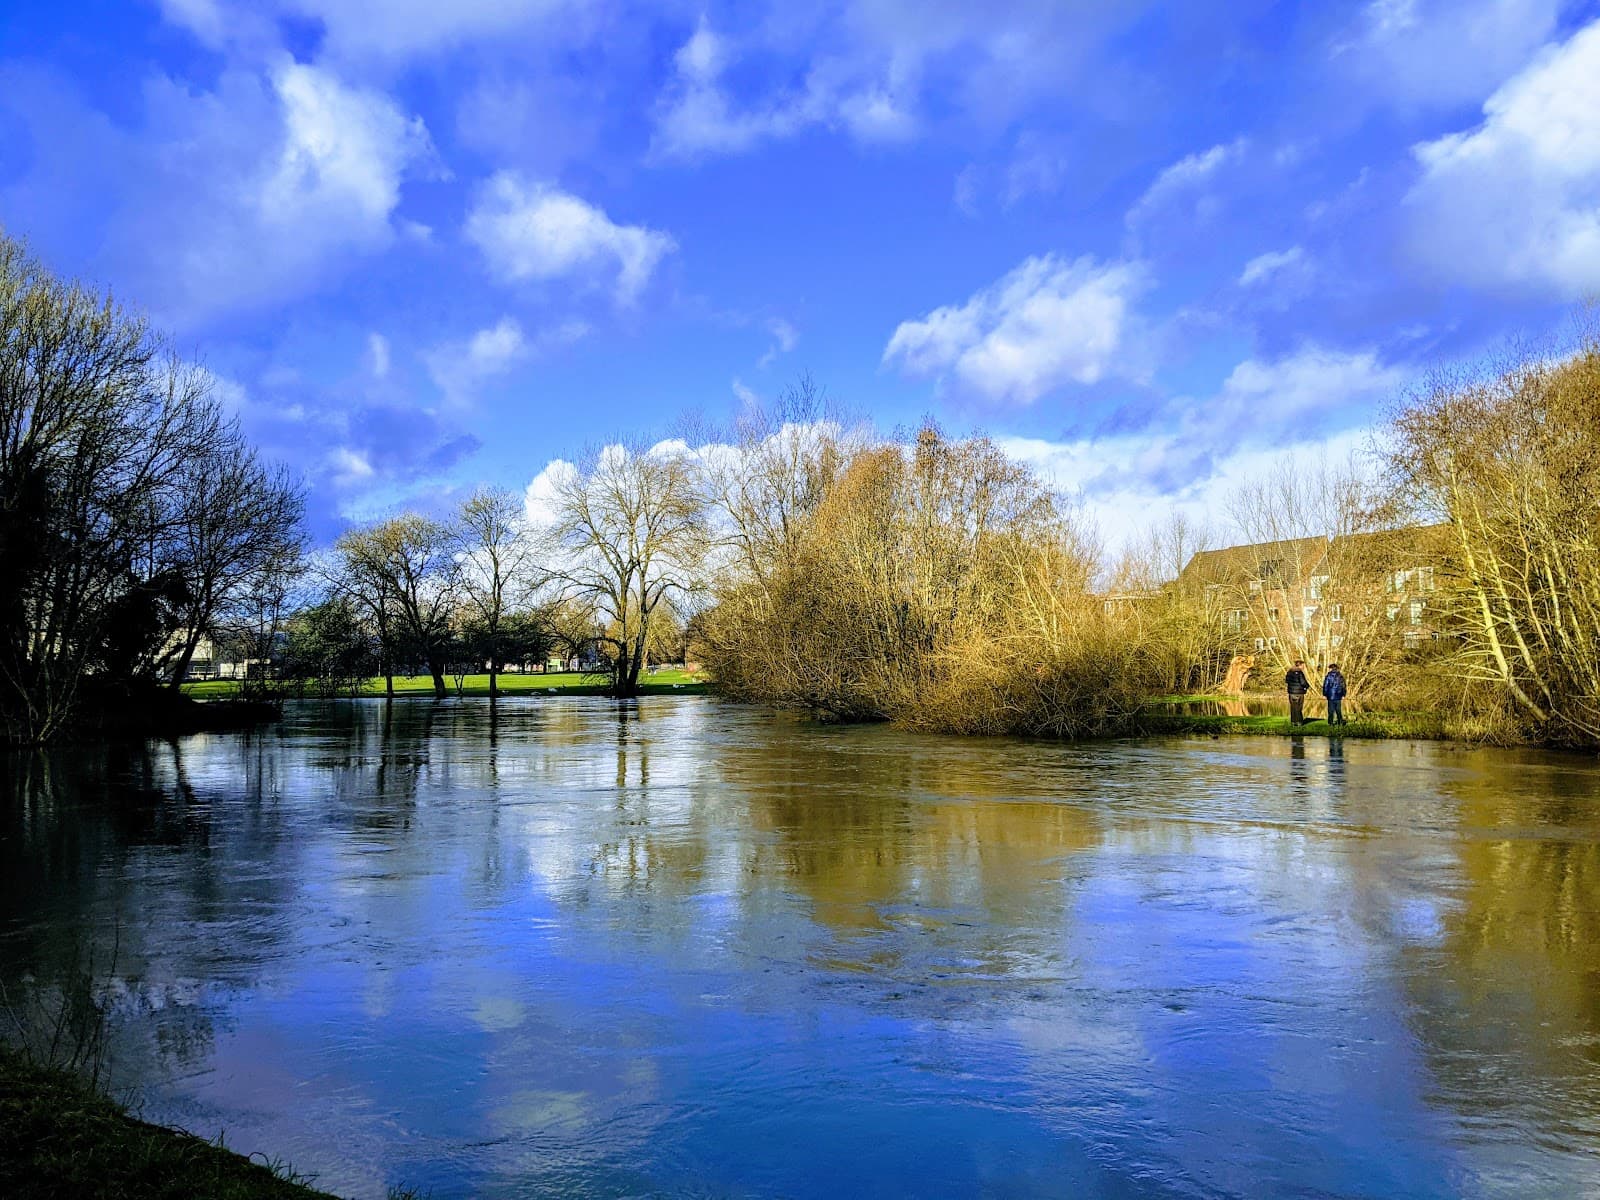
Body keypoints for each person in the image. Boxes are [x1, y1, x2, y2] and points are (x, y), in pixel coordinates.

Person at [1285, 659, 1311, 726]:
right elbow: (1303, 682)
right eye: (1303, 665)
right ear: (1300, 665)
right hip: (1299, 693)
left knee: (1293, 707)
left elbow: (1287, 681)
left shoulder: (1289, 672)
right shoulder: (1300, 673)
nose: (1304, 667)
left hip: (1291, 693)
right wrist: (1307, 686)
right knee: (1299, 707)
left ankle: (1293, 722)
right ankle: (1299, 722)